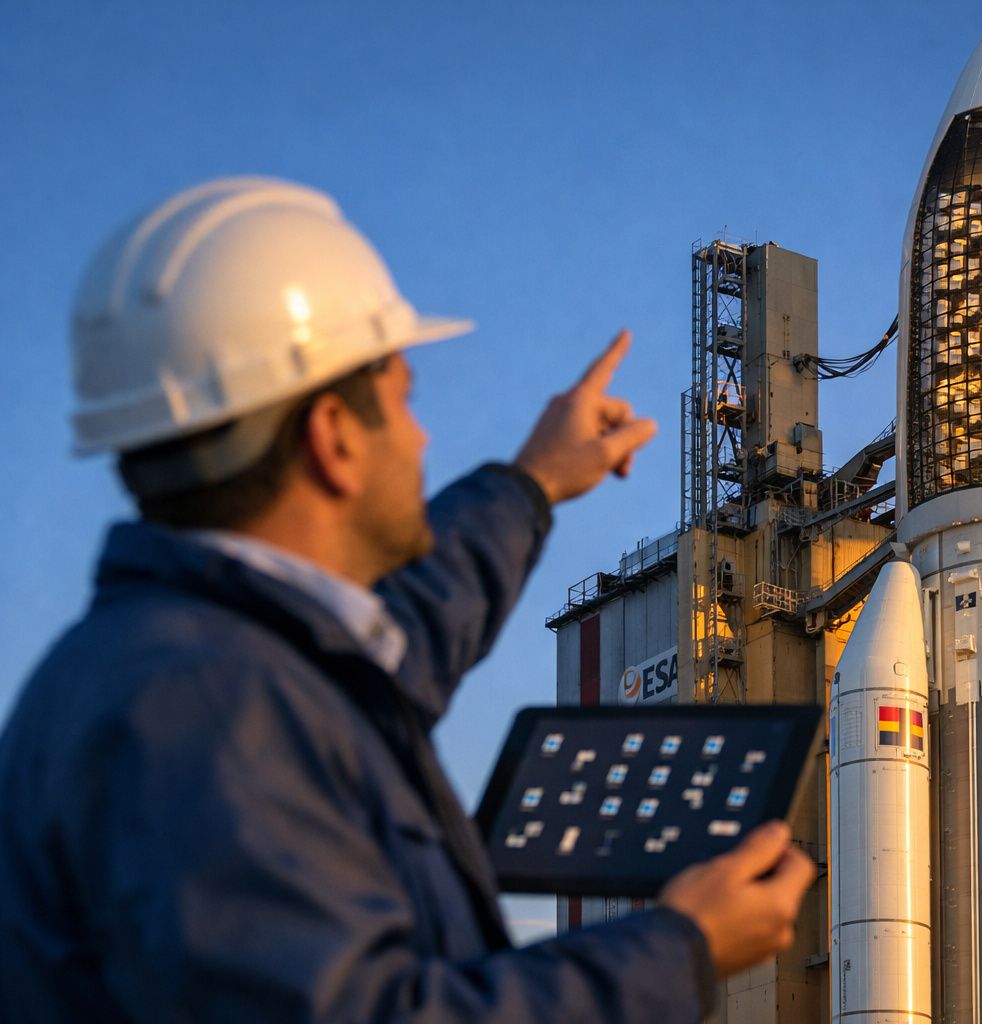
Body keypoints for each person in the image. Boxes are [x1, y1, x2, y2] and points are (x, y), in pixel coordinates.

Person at [0, 177, 815, 1021]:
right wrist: (677, 949)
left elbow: (410, 626)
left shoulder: (211, 655)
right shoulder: (203, 704)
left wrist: (530, 483)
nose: (423, 436)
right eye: (405, 401)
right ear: (334, 438)